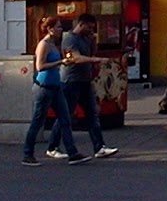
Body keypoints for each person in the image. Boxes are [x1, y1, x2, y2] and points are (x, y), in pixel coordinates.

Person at [21, 17, 92, 166]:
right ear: (50, 29)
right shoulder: (44, 45)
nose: (61, 30)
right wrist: (60, 62)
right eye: (58, 27)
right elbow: (40, 66)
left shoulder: (54, 45)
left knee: (65, 120)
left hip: (56, 87)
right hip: (44, 88)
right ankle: (28, 154)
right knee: (37, 121)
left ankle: (73, 153)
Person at [48, 13, 118, 159]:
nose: (91, 30)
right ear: (81, 24)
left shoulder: (86, 38)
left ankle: (99, 147)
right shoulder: (70, 39)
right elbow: (76, 57)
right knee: (66, 115)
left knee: (92, 114)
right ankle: (52, 146)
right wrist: (96, 59)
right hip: (70, 82)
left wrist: (93, 42)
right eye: (89, 27)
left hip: (84, 81)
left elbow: (90, 53)